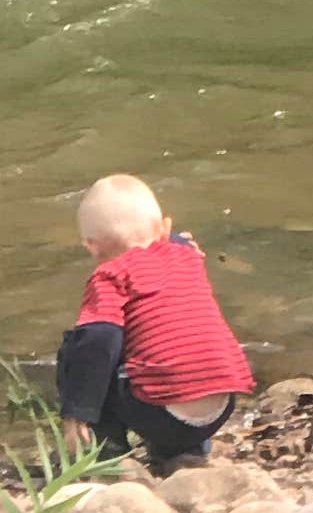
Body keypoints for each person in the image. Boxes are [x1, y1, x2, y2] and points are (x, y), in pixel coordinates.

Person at [53, 173, 255, 471]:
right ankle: (185, 449)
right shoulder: (187, 254)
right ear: (165, 228)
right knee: (165, 335)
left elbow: (99, 340)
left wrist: (78, 411)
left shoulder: (110, 275)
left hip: (163, 415)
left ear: (91, 246)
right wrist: (175, 238)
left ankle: (107, 448)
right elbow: (176, 241)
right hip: (222, 404)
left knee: (82, 345)